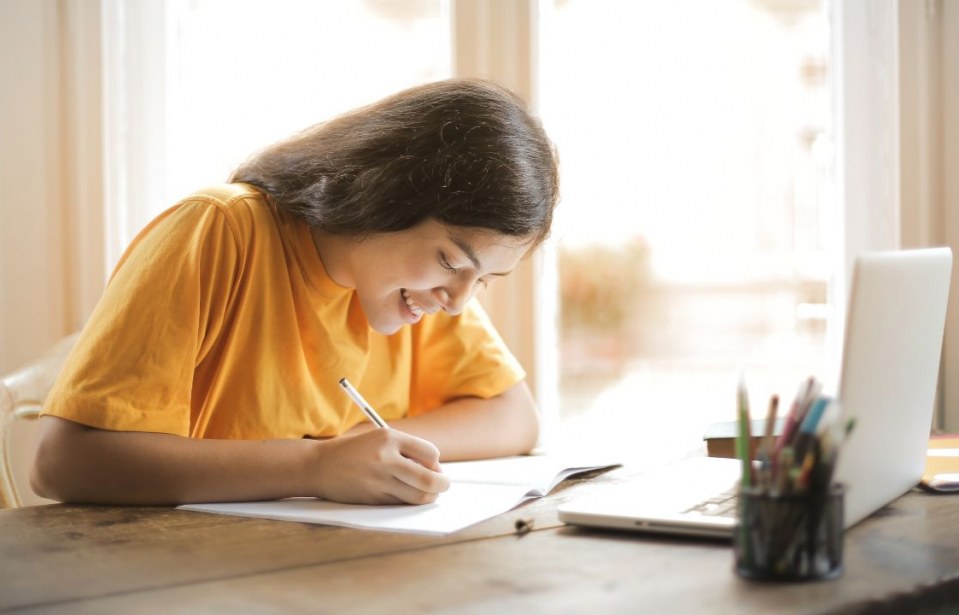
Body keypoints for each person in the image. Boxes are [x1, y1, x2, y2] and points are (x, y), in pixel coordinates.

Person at [30, 78, 559, 508]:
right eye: (450, 261)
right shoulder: (219, 230)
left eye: (483, 280)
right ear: (383, 195)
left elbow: (514, 417)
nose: (459, 301)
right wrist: (315, 466)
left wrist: (367, 449)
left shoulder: (421, 291)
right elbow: (62, 463)